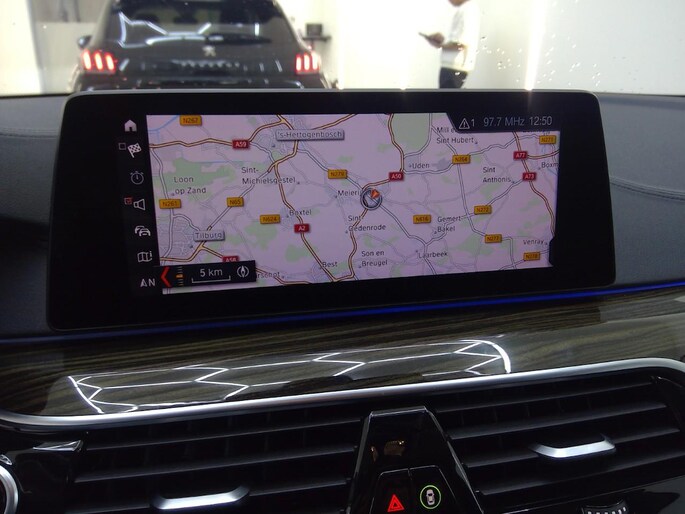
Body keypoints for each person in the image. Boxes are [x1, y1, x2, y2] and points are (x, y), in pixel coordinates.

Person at [423, 0, 481, 89]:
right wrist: (443, 40)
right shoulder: (467, 9)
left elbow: (460, 44)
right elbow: (459, 40)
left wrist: (440, 45)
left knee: (447, 97)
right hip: (453, 67)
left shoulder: (467, 10)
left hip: (454, 68)